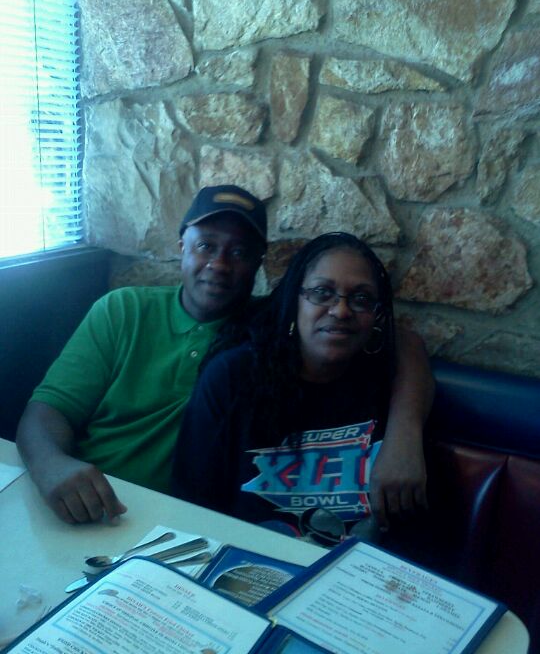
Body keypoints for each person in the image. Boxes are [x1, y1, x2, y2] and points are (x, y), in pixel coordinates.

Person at [17, 186, 432, 528]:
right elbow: (47, 412)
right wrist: (52, 465)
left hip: (172, 519)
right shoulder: (122, 310)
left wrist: (404, 436)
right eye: (206, 246)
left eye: (238, 252)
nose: (219, 264)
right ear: (182, 247)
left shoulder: (269, 327)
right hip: (85, 499)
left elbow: (405, 343)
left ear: (257, 264)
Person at [173, 233, 433, 533]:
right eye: (322, 292)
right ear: (294, 300)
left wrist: (406, 437)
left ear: (376, 315)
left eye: (361, 299)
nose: (341, 310)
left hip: (361, 559)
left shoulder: (392, 380)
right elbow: (192, 502)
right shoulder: (233, 376)